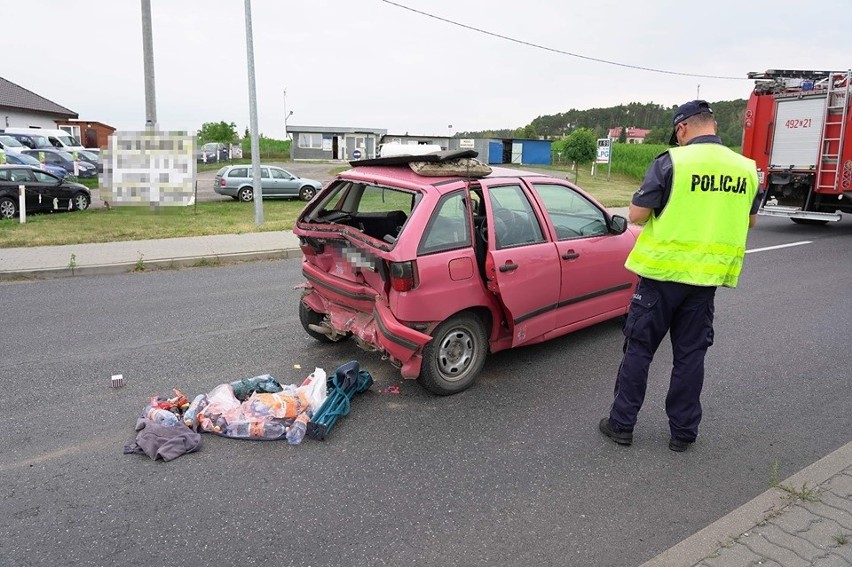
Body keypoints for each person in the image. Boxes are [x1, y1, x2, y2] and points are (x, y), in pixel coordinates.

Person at [598, 100, 762, 452]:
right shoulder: (747, 168)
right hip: (705, 282)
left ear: (683, 127)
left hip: (661, 277)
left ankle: (622, 424)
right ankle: (683, 434)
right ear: (713, 126)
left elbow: (638, 214)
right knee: (690, 357)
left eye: (677, 132)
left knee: (639, 350)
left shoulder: (673, 161)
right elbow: (750, 221)